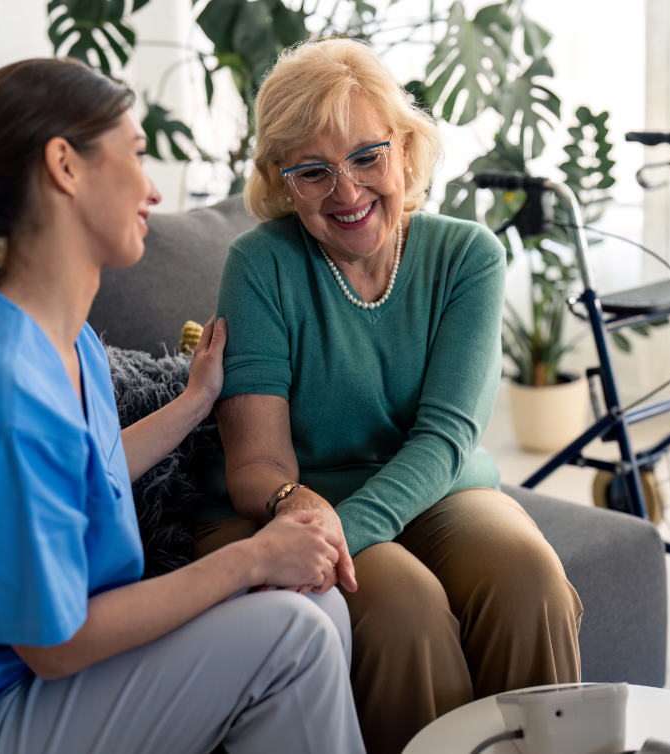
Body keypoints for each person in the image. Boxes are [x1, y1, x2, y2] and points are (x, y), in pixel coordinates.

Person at [0, 58, 364, 754]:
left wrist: (194, 403)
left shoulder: (70, 344)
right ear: (65, 165)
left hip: (38, 684)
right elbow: (53, 644)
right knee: (293, 634)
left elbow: (80, 472)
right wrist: (250, 560)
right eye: (136, 154)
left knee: (318, 604)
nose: (153, 189)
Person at [195, 38, 583, 754]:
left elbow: (444, 439)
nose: (346, 193)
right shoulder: (260, 264)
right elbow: (256, 464)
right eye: (312, 172)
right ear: (282, 184)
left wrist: (346, 529)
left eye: (367, 157)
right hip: (299, 501)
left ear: (405, 151)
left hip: (438, 490)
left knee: (531, 578)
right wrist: (297, 513)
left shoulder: (468, 255)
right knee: (404, 610)